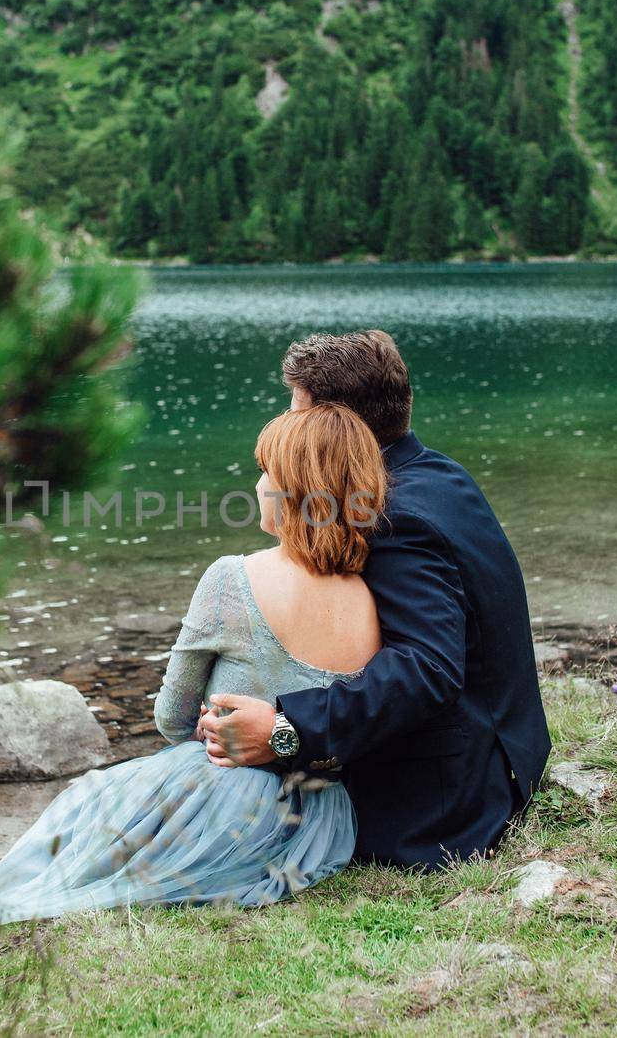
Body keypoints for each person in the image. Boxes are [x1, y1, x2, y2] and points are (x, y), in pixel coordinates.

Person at [0, 403, 386, 949]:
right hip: (322, 818)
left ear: (297, 490)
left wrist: (199, 754)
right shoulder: (370, 602)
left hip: (232, 793)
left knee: (92, 799)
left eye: (265, 473)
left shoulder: (232, 579)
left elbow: (172, 716)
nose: (256, 483)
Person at [200, 330, 552, 868]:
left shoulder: (393, 515)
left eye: (296, 411)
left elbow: (428, 666)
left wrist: (285, 730)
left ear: (334, 425)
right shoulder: (437, 473)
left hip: (445, 803)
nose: (287, 427)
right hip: (499, 750)